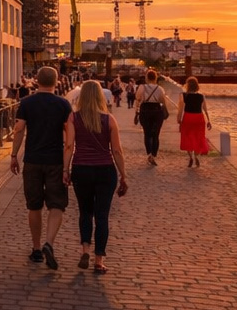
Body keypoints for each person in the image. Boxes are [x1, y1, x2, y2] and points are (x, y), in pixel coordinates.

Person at [9, 65, 73, 268]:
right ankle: (49, 243)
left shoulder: (27, 103)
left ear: (36, 80)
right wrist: (66, 166)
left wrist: (13, 155)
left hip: (33, 160)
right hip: (55, 160)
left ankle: (36, 248)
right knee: (56, 204)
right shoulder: (63, 105)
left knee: (34, 205)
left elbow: (19, 129)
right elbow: (69, 137)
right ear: (56, 82)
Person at [62, 81, 126, 274]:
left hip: (82, 169)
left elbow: (69, 146)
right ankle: (99, 260)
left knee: (85, 212)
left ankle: (85, 250)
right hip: (105, 170)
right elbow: (116, 150)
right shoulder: (109, 120)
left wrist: (66, 170)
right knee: (102, 215)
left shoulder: (73, 118)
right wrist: (124, 175)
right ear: (100, 96)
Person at [177, 76, 212, 168]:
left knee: (187, 137)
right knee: (198, 137)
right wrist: (209, 121)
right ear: (197, 85)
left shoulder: (183, 95)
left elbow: (180, 109)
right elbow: (205, 109)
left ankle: (190, 157)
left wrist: (179, 119)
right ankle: (196, 156)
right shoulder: (201, 96)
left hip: (188, 117)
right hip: (199, 118)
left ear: (187, 85)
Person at [135, 73, 170, 164]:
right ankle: (154, 155)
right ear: (155, 78)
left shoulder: (142, 87)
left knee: (147, 133)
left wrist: (136, 112)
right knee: (156, 134)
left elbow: (138, 99)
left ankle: (149, 154)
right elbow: (162, 101)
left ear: (146, 78)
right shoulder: (160, 88)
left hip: (145, 110)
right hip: (157, 111)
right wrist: (165, 111)